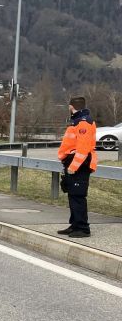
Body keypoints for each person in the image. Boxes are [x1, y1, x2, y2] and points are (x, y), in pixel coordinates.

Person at [57, 96, 97, 238]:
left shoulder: (83, 123)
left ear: (71, 106)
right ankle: (75, 225)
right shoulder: (76, 121)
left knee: (78, 196)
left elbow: (83, 149)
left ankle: (83, 228)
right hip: (72, 163)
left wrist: (73, 167)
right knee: (72, 195)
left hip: (80, 165)